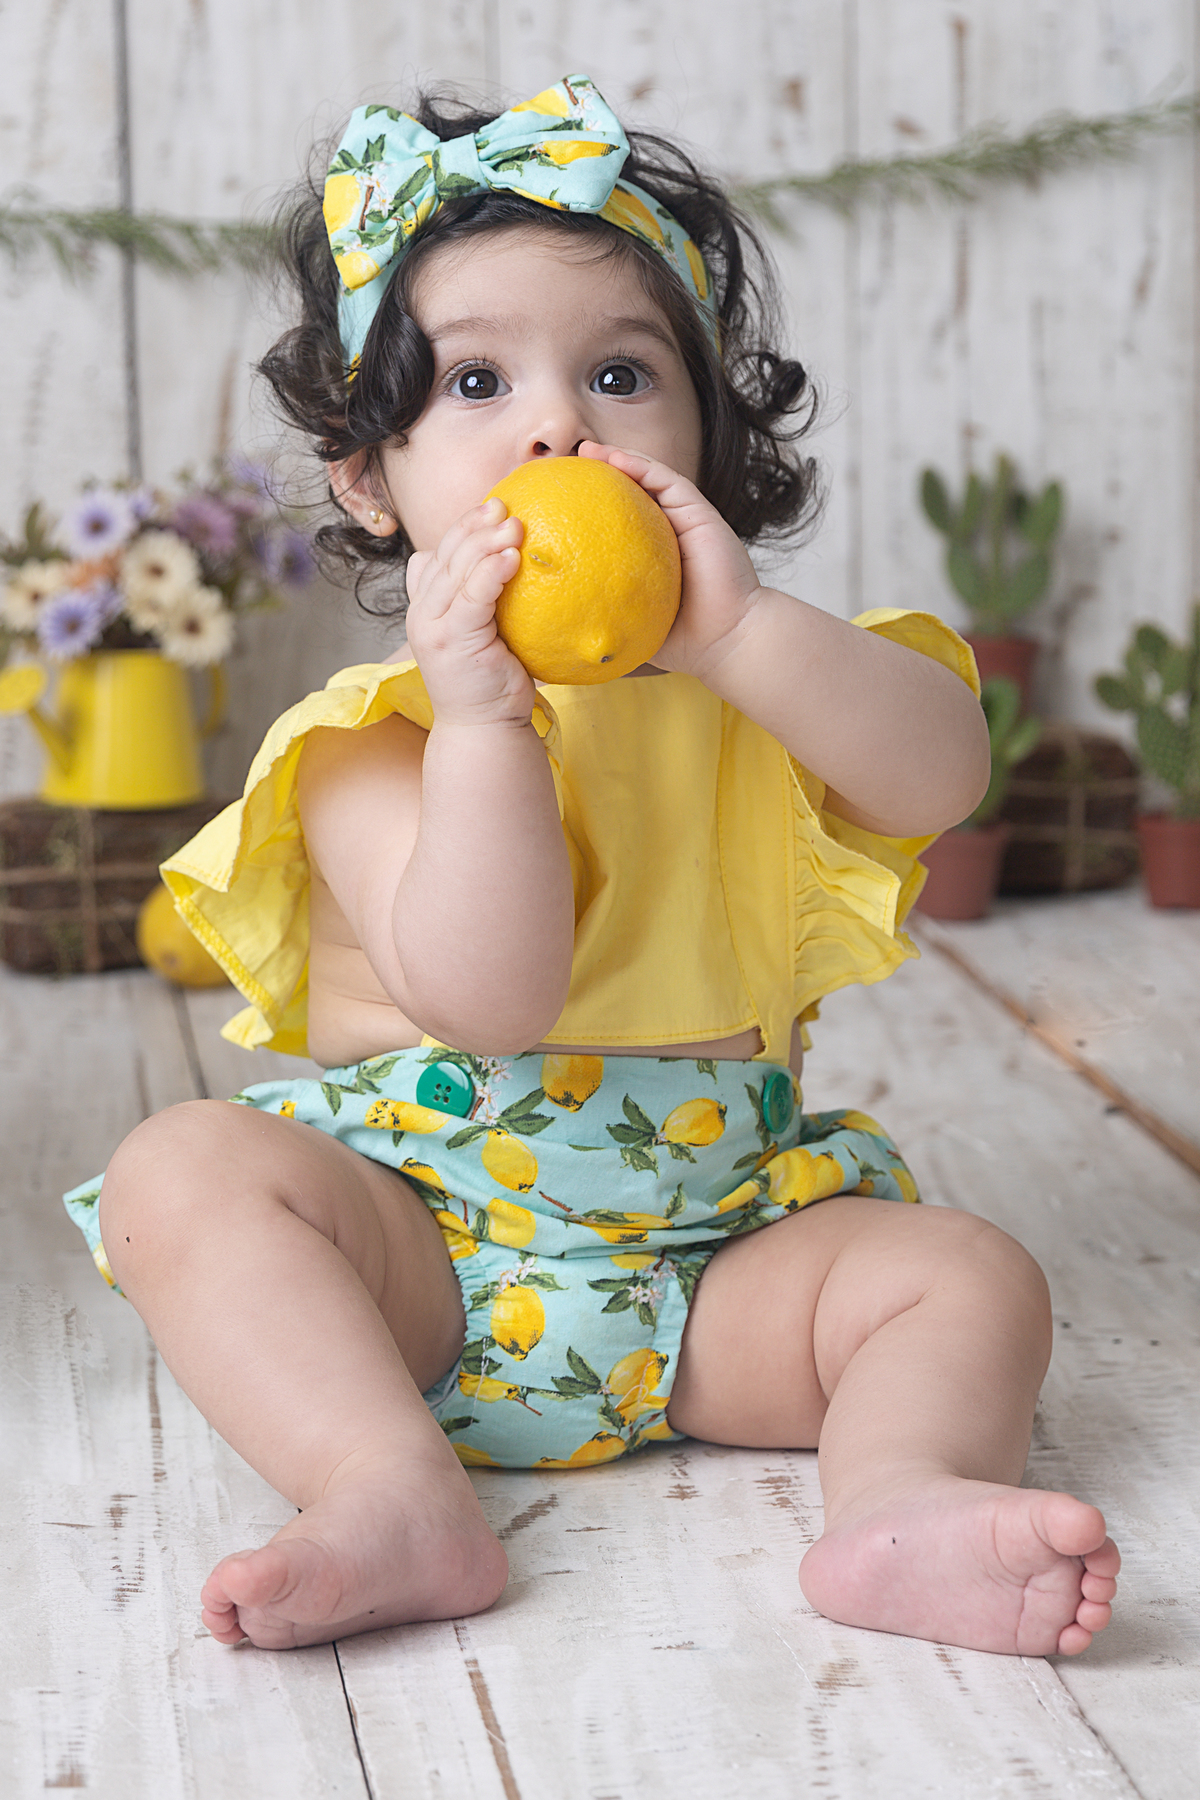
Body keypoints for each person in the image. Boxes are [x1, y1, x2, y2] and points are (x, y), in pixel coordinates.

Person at [63, 74, 1119, 1656]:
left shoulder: (756, 683)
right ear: (371, 477)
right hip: (427, 1254)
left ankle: (895, 1495)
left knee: (965, 1273)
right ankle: (383, 1478)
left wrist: (745, 633)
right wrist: (488, 726)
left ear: (706, 435)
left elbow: (945, 774)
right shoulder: (375, 740)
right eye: (478, 380)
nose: (558, 426)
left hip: (719, 1268)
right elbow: (489, 998)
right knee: (184, 1177)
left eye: (622, 373)